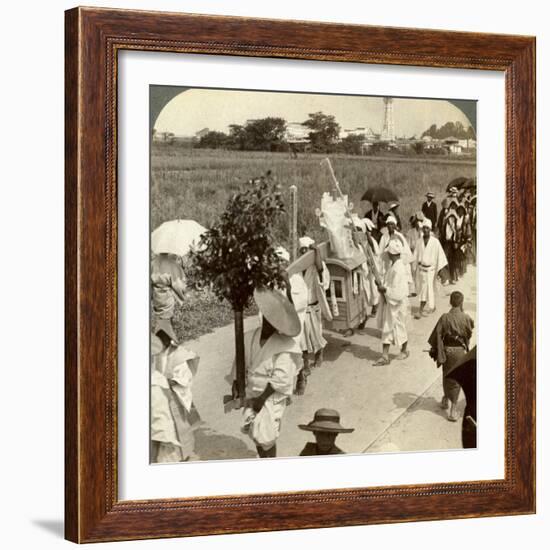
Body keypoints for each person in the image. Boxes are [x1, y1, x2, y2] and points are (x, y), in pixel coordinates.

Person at [238, 288, 303, 458]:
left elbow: (281, 380)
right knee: (254, 431)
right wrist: (237, 383)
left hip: (271, 396)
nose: (269, 323)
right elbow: (241, 361)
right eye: (267, 318)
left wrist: (260, 400)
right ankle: (263, 460)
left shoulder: (285, 346)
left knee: (267, 437)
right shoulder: (251, 337)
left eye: (273, 322)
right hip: (252, 390)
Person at [151, 320, 201, 463]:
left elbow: (184, 376)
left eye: (165, 336)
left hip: (175, 395)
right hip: (161, 395)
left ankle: (184, 453)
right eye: (159, 337)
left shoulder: (180, 354)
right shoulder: (156, 354)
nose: (163, 340)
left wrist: (169, 381)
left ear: (170, 337)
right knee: (165, 426)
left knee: (181, 426)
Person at [428, 291, 474, 422]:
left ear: (450, 302)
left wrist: (437, 349)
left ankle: (445, 399)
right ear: (462, 302)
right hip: (459, 351)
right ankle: (453, 411)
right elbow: (469, 332)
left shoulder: (444, 317)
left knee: (447, 375)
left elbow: (437, 334)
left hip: (447, 351)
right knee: (457, 380)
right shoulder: (466, 317)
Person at [275, 246, 309, 395]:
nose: (278, 265)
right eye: (276, 261)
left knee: (293, 353)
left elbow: (298, 305)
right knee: (279, 356)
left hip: (294, 323)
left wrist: (287, 287)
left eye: (281, 262)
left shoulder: (297, 280)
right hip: (277, 323)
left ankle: (300, 378)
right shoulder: (271, 281)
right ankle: (283, 389)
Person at [297, 236, 331, 378]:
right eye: (302, 250)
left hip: (314, 305)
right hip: (302, 307)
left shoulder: (317, 265)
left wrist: (316, 252)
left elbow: (321, 271)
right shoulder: (298, 267)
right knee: (302, 338)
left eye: (307, 250)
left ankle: (319, 354)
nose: (304, 253)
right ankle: (305, 364)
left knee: (316, 334)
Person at [374, 240, 410, 366]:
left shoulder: (398, 269)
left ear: (392, 254)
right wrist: (382, 285)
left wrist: (385, 289)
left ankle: (402, 351)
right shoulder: (394, 266)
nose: (388, 255)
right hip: (392, 302)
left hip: (397, 303)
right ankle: (386, 355)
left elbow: (398, 292)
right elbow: (390, 285)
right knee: (390, 327)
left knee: (397, 327)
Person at [413, 218, 448, 319]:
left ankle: (420, 310)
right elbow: (415, 255)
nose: (425, 230)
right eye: (423, 228)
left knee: (428, 289)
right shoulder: (419, 241)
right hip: (421, 269)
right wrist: (414, 267)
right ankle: (432, 306)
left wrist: (440, 271)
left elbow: (440, 256)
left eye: (427, 228)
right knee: (425, 289)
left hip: (431, 270)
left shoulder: (435, 242)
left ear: (430, 229)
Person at [151, 253, 186, 332]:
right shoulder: (171, 264)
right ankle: (167, 340)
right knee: (167, 320)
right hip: (167, 296)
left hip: (157, 296)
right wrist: (182, 295)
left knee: (160, 319)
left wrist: (151, 296)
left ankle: (164, 337)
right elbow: (178, 285)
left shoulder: (153, 263)